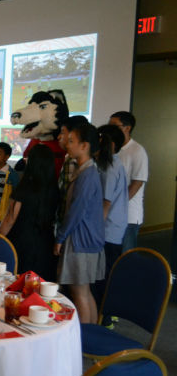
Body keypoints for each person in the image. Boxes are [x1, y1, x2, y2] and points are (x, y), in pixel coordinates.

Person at [54, 123, 105, 324]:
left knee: (79, 292)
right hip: (85, 239)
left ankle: (84, 342)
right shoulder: (85, 170)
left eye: (72, 141)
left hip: (81, 240)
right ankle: (91, 336)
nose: (67, 144)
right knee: (83, 291)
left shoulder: (88, 173)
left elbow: (76, 211)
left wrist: (60, 237)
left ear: (85, 146)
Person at [0, 144, 59, 281]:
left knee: (17, 283)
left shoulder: (24, 187)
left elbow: (10, 218)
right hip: (45, 244)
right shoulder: (55, 189)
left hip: (22, 242)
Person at [93, 124, 128, 318]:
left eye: (100, 139)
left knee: (102, 278)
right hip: (110, 229)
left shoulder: (110, 167)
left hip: (107, 231)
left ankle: (103, 318)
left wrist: (95, 233)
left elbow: (105, 204)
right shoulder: (112, 163)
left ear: (111, 144)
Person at [109, 111, 148, 252]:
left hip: (129, 216)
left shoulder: (137, 151)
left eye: (114, 125)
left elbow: (137, 182)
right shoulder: (113, 149)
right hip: (112, 215)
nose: (110, 129)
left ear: (127, 128)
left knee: (125, 256)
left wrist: (117, 205)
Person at [56, 115, 89, 228]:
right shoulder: (68, 158)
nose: (59, 137)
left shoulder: (81, 163)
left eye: (63, 132)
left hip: (72, 225)